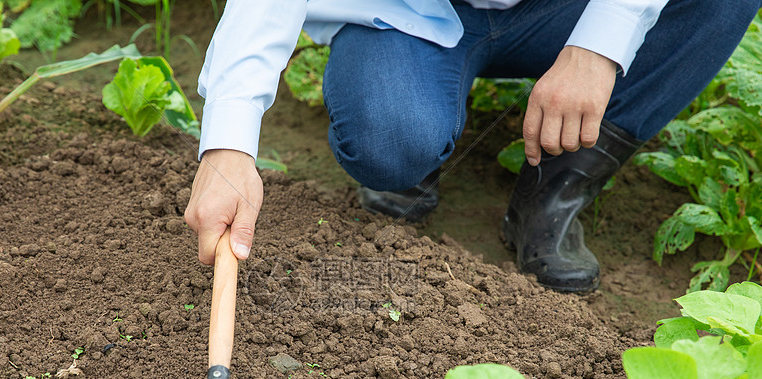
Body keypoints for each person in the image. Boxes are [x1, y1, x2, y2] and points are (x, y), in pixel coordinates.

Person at [184, 0, 761, 292]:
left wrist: (599, 47)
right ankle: (419, 138)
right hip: (412, 13)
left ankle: (557, 187)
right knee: (390, 142)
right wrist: (228, 147)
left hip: (566, 11)